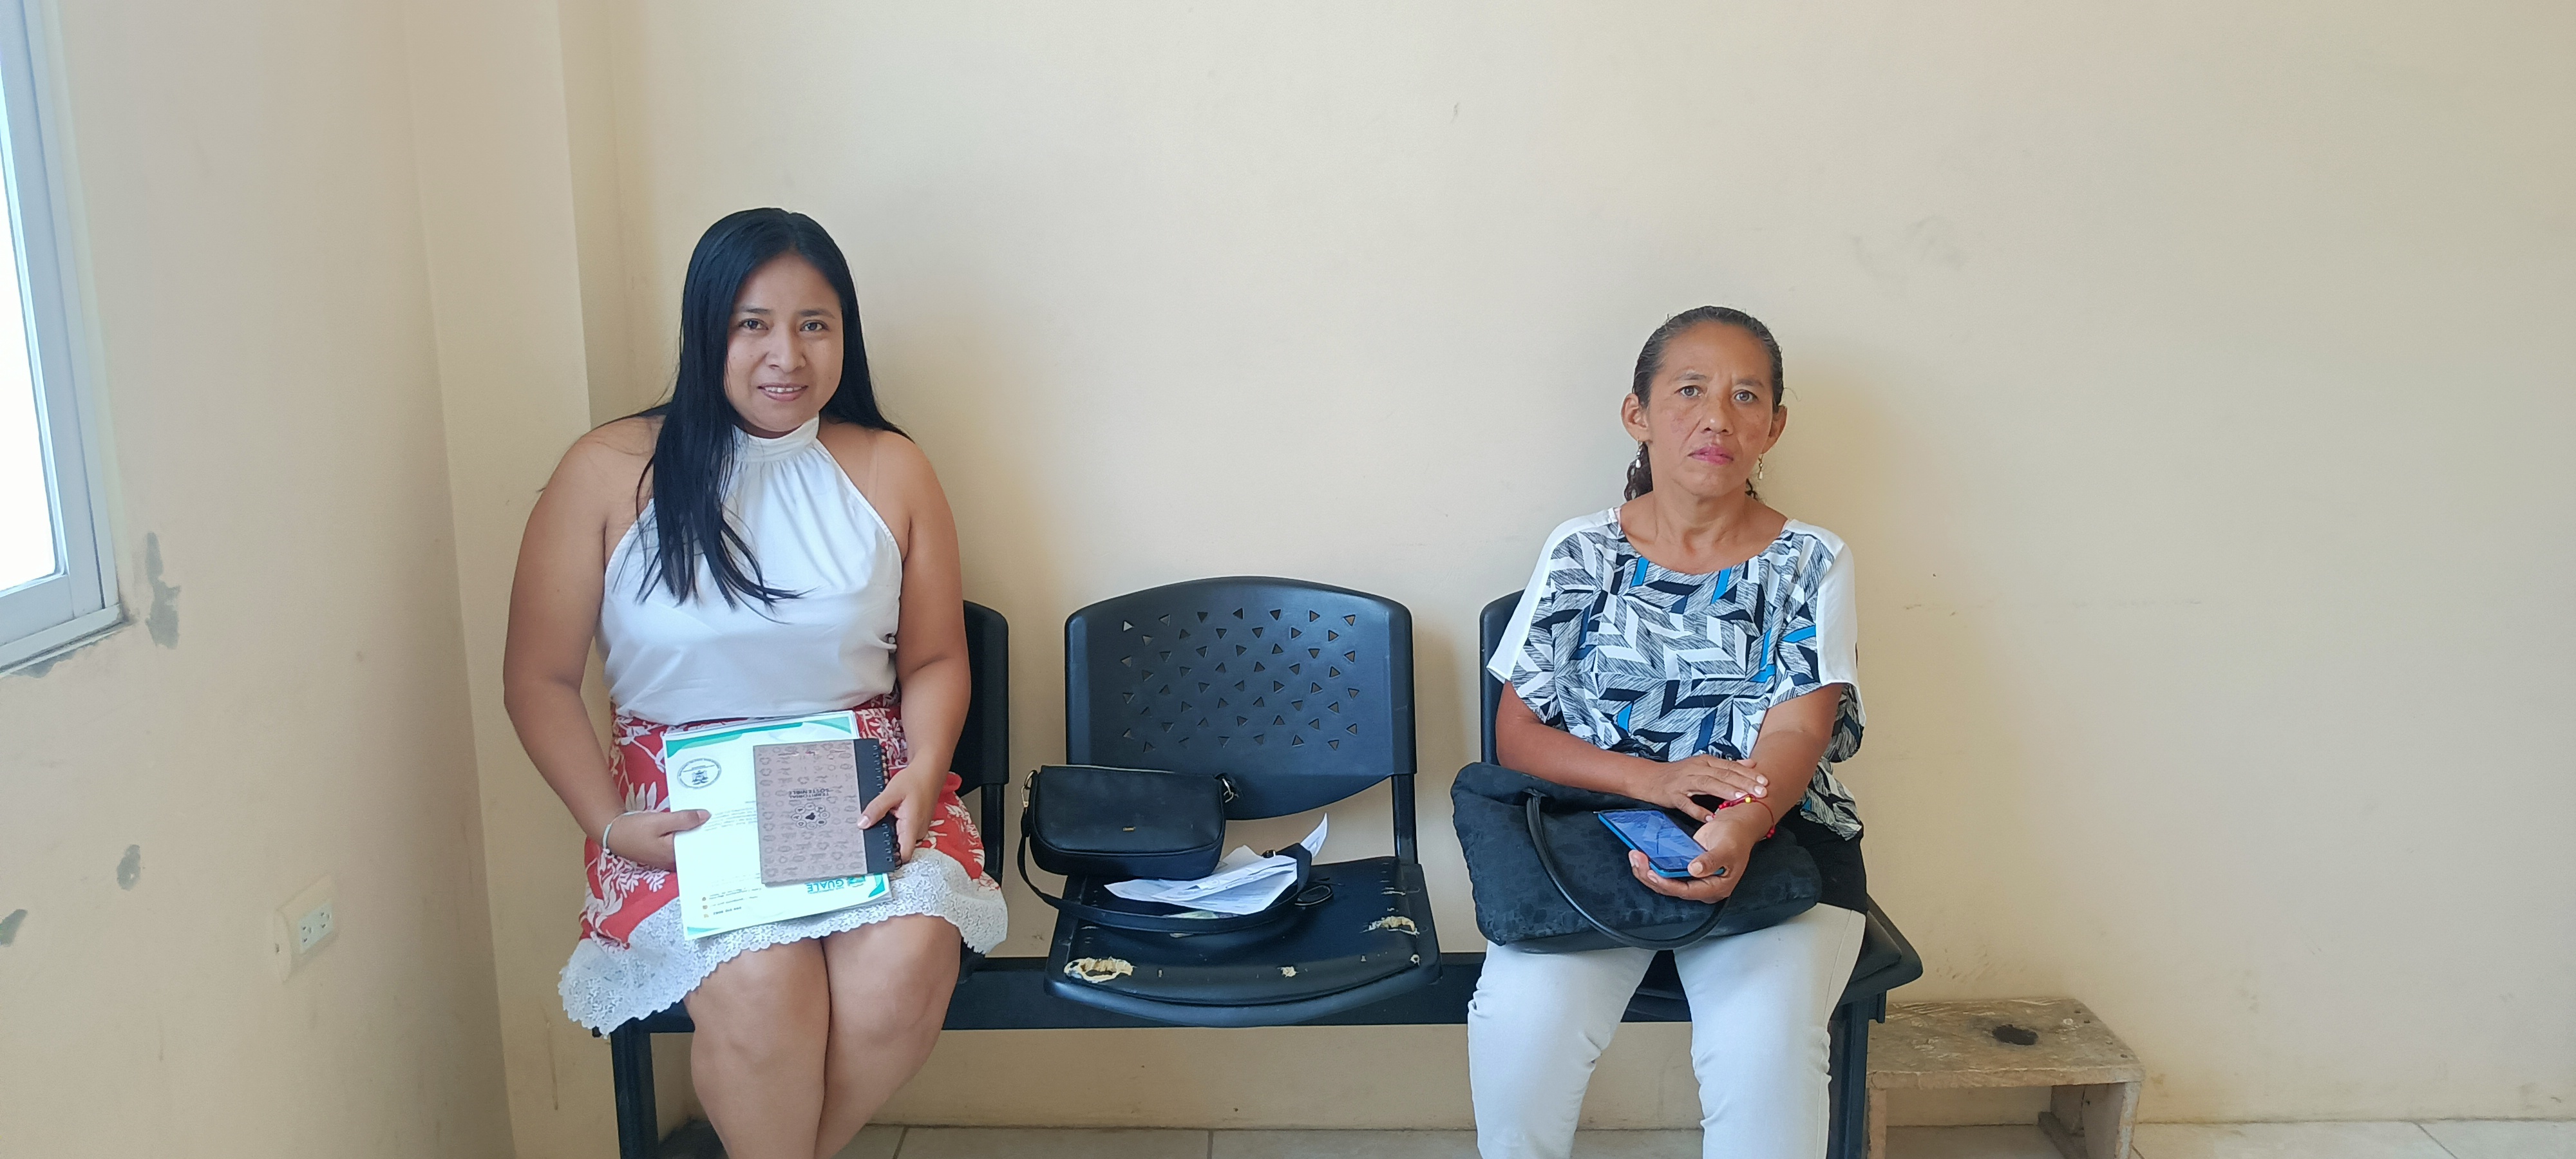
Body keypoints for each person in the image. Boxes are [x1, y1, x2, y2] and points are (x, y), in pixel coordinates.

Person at [504, 209, 1005, 1159]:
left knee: (903, 966)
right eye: (753, 324)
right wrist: (607, 823)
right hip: (682, 805)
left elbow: (936, 658)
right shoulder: (606, 471)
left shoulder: (891, 466)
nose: (788, 355)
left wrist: (925, 768)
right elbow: (539, 678)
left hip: (863, 786)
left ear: (845, 335)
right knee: (765, 982)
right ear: (708, 330)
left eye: (815, 324)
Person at [1470, 306, 1870, 1159]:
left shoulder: (1813, 561)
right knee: (1521, 1029)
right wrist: (1652, 781)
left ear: (1773, 427)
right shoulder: (1580, 551)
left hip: (1774, 836)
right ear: (1638, 414)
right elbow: (1518, 734)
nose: (1716, 417)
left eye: (1745, 396)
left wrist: (1742, 824)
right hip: (1592, 833)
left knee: (1763, 1059)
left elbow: (1799, 729)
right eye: (1689, 390)